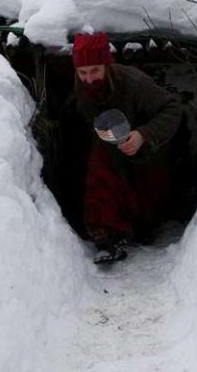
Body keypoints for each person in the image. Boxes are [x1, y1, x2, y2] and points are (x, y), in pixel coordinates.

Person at [71, 32, 182, 263]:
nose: (89, 79)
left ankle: (140, 227)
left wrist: (143, 135)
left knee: (146, 201)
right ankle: (107, 238)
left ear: (107, 66)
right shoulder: (81, 86)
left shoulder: (134, 83)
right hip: (107, 149)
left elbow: (172, 109)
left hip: (146, 149)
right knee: (99, 178)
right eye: (83, 73)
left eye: (95, 71)